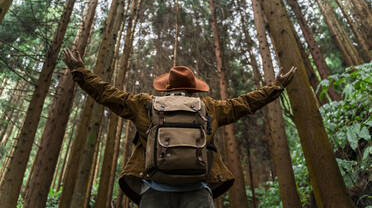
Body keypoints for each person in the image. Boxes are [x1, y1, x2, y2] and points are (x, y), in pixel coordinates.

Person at [62, 48, 296, 208]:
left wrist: (80, 72)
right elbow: (245, 104)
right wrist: (276, 87)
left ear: (165, 89)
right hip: (197, 192)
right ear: (194, 90)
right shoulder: (208, 107)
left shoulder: (146, 104)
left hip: (154, 192)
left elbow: (107, 94)